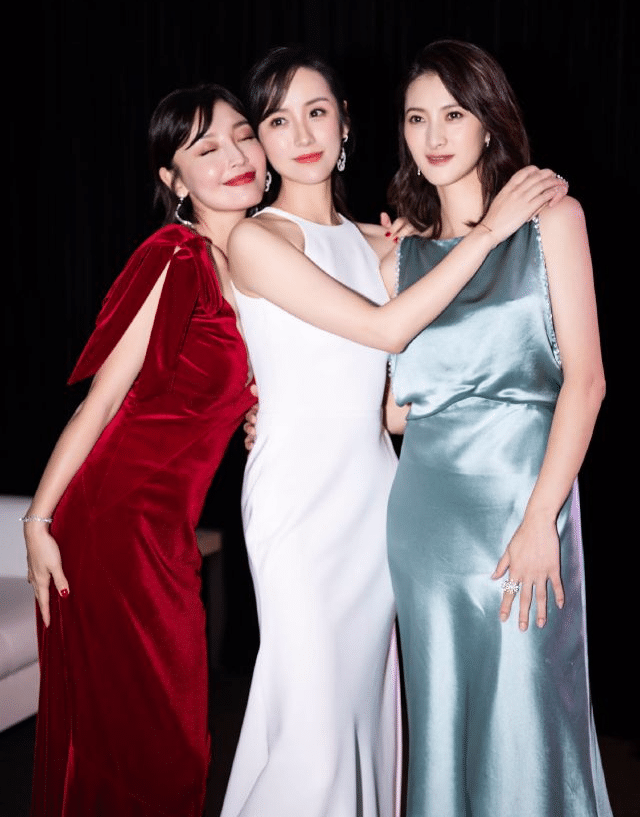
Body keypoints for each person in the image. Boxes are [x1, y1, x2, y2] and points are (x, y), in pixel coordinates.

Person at [220, 46, 568, 817]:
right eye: (277, 120)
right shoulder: (256, 239)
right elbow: (385, 331)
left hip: (379, 502)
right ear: (261, 139)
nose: (301, 134)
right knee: (312, 740)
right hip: (298, 504)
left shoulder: (380, 244)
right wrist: (487, 233)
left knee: (364, 727)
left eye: (317, 111)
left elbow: (405, 398)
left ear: (345, 123)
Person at [23, 84, 267, 817]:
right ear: (173, 179)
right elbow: (101, 402)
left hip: (165, 534)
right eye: (206, 148)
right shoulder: (176, 257)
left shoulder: (259, 260)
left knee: (167, 739)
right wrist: (37, 519)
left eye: (243, 134)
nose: (235, 155)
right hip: (114, 527)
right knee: (152, 743)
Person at [385, 40, 612, 816]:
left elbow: (587, 380)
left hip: (526, 510)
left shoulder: (554, 220)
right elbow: (393, 411)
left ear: (488, 119)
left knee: (528, 723)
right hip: (424, 523)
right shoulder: (400, 256)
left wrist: (542, 517)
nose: (434, 134)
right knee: (441, 721)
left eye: (453, 114)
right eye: (417, 117)